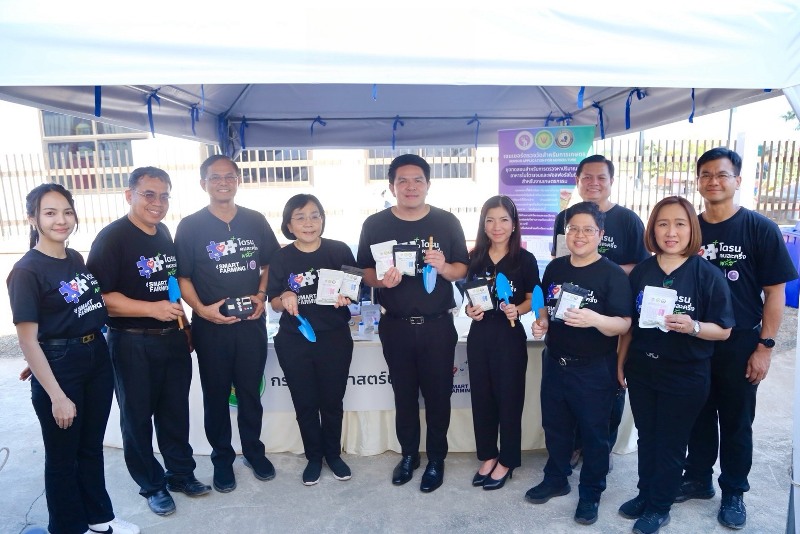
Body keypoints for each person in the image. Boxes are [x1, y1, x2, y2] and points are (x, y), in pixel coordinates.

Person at [7, 183, 139, 534]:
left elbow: (71, 313)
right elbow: (28, 339)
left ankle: (98, 518)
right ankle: (67, 528)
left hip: (94, 355)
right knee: (63, 457)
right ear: (33, 218)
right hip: (62, 368)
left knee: (90, 447)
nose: (61, 220)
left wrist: (48, 351)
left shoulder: (75, 259)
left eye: (67, 212)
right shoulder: (26, 271)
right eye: (50, 213)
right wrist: (55, 393)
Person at [676, 148, 798, 529]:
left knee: (736, 420)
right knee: (696, 414)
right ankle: (698, 478)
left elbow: (775, 294)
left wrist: (765, 347)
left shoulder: (759, 228)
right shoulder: (689, 229)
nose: (713, 181)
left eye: (722, 174)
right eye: (706, 175)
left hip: (741, 342)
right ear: (698, 182)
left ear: (738, 180)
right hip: (695, 339)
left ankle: (733, 491)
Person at [86, 167, 211, 516]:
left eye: (164, 195)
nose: (158, 203)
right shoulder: (112, 238)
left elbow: (170, 287)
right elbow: (100, 297)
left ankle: (181, 474)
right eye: (149, 194)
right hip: (131, 343)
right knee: (137, 418)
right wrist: (150, 310)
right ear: (130, 195)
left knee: (175, 413)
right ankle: (152, 485)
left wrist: (184, 324)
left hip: (172, 339)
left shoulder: (163, 233)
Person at [617, 196, 734, 534]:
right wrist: (621, 363)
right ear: (653, 229)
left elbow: (724, 330)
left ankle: (659, 506)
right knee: (647, 438)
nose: (671, 232)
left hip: (685, 374)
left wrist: (693, 326)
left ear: (691, 229)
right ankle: (645, 493)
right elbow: (630, 326)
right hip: (643, 369)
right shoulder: (642, 271)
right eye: (663, 224)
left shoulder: (707, 274)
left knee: (670, 442)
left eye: (680, 224)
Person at [357, 153, 469, 493]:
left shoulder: (446, 222)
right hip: (396, 325)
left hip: (438, 326)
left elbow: (462, 269)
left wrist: (444, 266)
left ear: (428, 184)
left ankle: (436, 458)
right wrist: (381, 281)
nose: (410, 186)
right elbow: (364, 272)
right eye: (402, 181)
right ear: (392, 187)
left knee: (438, 396)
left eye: (417, 180)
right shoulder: (375, 224)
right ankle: (409, 455)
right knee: (403, 395)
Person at [174, 155, 280, 493]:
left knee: (249, 392)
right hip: (211, 328)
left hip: (251, 325)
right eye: (215, 177)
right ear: (203, 183)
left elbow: (269, 264)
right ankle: (222, 459)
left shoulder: (255, 220)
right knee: (216, 395)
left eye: (229, 176)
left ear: (238, 180)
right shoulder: (190, 226)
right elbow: (182, 277)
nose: (223, 182)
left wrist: (261, 295)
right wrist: (202, 311)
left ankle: (253, 452)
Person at [526, 201, 632, 526]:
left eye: (588, 229)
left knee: (594, 434)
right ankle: (556, 478)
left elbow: (624, 323)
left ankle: (591, 492)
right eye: (573, 228)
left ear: (600, 234)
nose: (580, 235)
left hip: (594, 368)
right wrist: (542, 323)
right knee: (555, 426)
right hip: (555, 362)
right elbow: (547, 307)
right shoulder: (555, 268)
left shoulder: (613, 274)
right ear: (565, 233)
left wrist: (595, 319)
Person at [552, 154, 649, 470]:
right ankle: (574, 447)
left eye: (601, 177)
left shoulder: (628, 220)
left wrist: (601, 271)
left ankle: (599, 450)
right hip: (571, 318)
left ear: (611, 181)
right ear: (578, 181)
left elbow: (643, 267)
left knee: (610, 385)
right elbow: (561, 261)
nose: (594, 183)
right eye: (587, 177)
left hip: (615, 313)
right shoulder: (565, 217)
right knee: (567, 395)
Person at [268, 194, 355, 486]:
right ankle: (314, 457)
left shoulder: (339, 250)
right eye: (300, 217)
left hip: (334, 339)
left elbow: (355, 289)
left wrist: (346, 296)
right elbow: (273, 303)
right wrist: (285, 295)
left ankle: (333, 454)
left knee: (332, 401)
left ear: (322, 220)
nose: (309, 223)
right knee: (305, 403)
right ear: (289, 225)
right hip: (295, 340)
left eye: (315, 216)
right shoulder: (281, 257)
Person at [464, 195, 539, 491]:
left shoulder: (524, 259)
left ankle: (507, 460)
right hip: (479, 334)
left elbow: (532, 298)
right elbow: (469, 297)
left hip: (509, 336)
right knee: (482, 399)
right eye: (490, 220)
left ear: (514, 224)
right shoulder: (475, 257)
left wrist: (517, 310)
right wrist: (470, 310)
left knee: (509, 400)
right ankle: (488, 455)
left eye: (504, 220)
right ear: (483, 225)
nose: (497, 226)